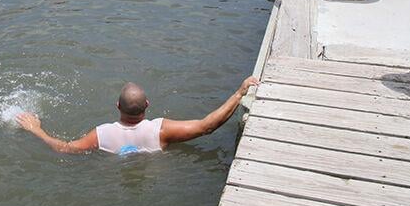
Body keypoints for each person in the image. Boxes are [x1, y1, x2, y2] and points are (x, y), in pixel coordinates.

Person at [15, 76, 259, 155]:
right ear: (148, 105)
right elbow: (207, 126)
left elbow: (65, 149)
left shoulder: (101, 135)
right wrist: (239, 92)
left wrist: (36, 129)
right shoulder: (161, 131)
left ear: (116, 106)